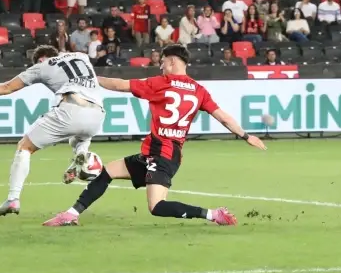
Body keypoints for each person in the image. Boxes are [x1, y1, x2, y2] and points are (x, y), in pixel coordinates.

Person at [43, 44, 265, 227]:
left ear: (172, 62)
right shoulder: (199, 90)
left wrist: (90, 78)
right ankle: (71, 214)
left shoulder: (162, 83)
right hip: (159, 152)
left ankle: (214, 214)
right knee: (107, 172)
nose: (160, 67)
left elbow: (121, 85)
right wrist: (246, 136)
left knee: (157, 207)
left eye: (162, 62)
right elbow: (223, 117)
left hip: (162, 154)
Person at [0, 45, 107, 218]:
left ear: (42, 58)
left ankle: (13, 198)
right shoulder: (81, 56)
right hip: (98, 113)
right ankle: (81, 156)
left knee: (25, 147)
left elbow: (7, 87)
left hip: (71, 108)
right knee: (79, 136)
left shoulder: (42, 66)